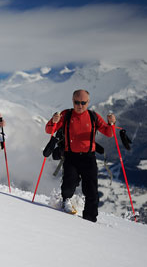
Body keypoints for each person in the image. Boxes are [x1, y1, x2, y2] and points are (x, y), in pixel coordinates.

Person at [45, 89, 116, 222]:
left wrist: (112, 123)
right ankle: (66, 200)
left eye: (83, 102)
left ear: (88, 102)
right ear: (73, 101)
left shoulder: (93, 116)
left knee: (91, 190)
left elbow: (108, 133)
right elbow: (49, 130)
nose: (80, 105)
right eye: (77, 102)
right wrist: (54, 121)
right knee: (68, 184)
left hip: (89, 157)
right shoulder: (66, 115)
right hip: (71, 156)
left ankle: (90, 219)